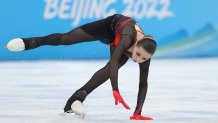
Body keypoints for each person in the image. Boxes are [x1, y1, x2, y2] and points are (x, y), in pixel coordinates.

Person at [7, 14, 157, 120]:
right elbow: (114, 61)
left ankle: (77, 99)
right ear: (136, 44)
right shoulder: (127, 37)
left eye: (143, 58)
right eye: (137, 54)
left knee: (108, 70)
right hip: (107, 28)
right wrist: (115, 89)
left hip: (122, 42)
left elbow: (143, 83)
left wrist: (137, 112)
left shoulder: (145, 53)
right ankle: (30, 42)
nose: (137, 60)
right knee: (66, 39)